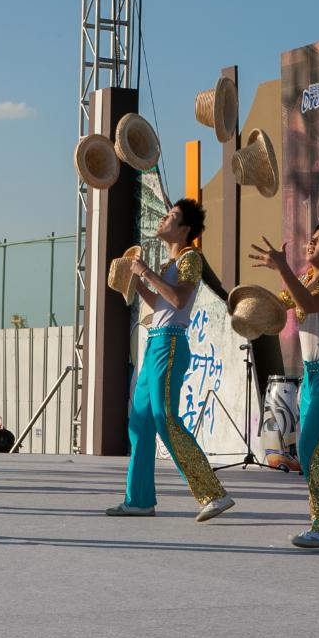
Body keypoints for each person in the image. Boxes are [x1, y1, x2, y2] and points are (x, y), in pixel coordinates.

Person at [105, 199, 235, 522]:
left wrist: (145, 272)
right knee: (140, 422)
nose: (164, 219)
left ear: (185, 229)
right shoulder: (169, 264)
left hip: (171, 345)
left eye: (172, 217)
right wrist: (138, 283)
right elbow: (162, 301)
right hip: (155, 344)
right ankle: (139, 500)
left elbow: (178, 299)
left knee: (165, 418)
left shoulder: (191, 257)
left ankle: (213, 493)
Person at [249, 220, 319, 549]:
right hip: (313, 377)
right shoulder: (308, 280)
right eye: (310, 239)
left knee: (312, 448)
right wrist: (247, 307)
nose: (310, 244)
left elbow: (308, 304)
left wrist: (282, 267)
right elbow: (281, 302)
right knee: (308, 450)